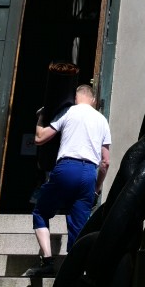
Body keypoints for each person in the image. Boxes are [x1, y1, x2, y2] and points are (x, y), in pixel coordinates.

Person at [27, 83, 111, 276]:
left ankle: (47, 262)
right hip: (89, 173)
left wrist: (42, 116)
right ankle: (75, 271)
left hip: (67, 168)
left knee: (40, 212)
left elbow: (40, 138)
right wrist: (96, 189)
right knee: (79, 225)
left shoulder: (68, 112)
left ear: (75, 98)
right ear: (93, 100)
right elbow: (106, 162)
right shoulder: (102, 120)